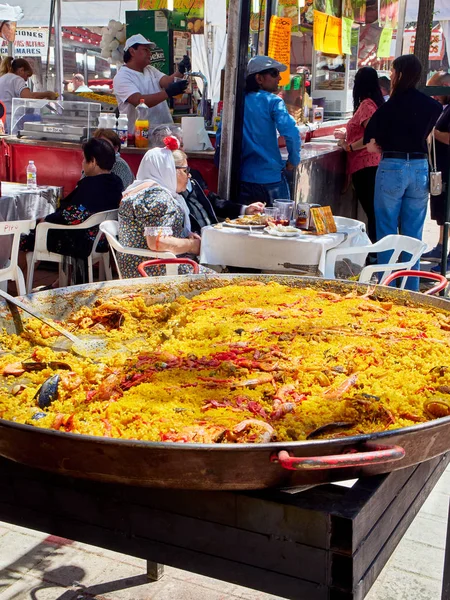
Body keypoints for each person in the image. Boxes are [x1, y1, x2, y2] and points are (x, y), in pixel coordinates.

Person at [364, 54, 442, 291]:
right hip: (419, 169)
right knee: (413, 232)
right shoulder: (432, 106)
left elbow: (370, 143)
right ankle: (411, 288)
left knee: (387, 228)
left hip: (392, 166)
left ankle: (388, 286)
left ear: (398, 74)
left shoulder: (389, 106)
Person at [21, 138, 123, 286]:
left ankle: (16, 284)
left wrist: (45, 220)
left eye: (84, 159)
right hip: (100, 239)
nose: (82, 163)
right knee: (37, 231)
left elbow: (73, 215)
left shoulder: (91, 184)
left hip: (81, 241)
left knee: (26, 237)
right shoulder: (116, 182)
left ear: (93, 161)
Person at [118, 136, 210, 277]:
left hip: (148, 266)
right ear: (169, 169)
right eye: (186, 170)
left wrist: (185, 236)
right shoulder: (156, 197)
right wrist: (192, 246)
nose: (189, 175)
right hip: (154, 271)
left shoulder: (143, 190)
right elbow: (158, 242)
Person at [149, 125, 264, 233]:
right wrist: (191, 243)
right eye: (176, 148)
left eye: (182, 146)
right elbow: (158, 239)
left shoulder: (193, 174)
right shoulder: (158, 196)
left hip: (211, 233)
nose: (182, 151)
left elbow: (213, 201)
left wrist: (245, 209)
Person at [239, 55, 301, 206]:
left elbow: (222, 136)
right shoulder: (273, 101)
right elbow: (291, 132)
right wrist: (293, 160)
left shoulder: (237, 101)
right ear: (259, 78)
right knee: (281, 224)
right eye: (274, 73)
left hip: (244, 178)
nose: (279, 78)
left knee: (247, 226)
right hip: (271, 179)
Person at [334, 67, 384, 243]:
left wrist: (349, 147)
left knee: (373, 212)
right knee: (374, 212)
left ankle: (375, 254)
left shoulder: (366, 105)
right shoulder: (374, 104)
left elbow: (371, 135)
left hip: (366, 167)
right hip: (369, 166)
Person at [113, 34, 190, 134]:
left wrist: (180, 70)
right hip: (140, 136)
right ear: (132, 51)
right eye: (145, 50)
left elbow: (166, 82)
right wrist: (168, 93)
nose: (150, 54)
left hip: (164, 132)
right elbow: (138, 101)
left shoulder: (150, 69)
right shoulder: (122, 76)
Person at [421, 72, 450, 271]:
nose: (435, 97)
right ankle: (441, 246)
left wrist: (431, 131)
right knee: (441, 211)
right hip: (440, 168)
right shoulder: (444, 109)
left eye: (437, 92)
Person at [0, 57, 57, 133]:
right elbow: (29, 97)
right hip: (11, 122)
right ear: (21, 70)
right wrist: (48, 94)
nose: (26, 79)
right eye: (27, 75)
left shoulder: (2, 78)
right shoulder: (16, 79)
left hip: (2, 121)